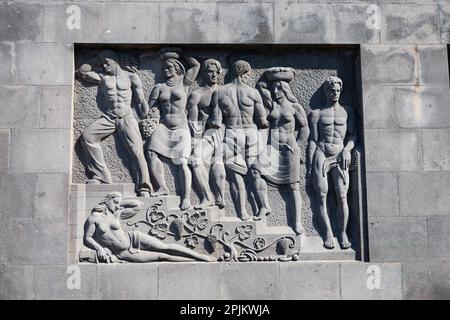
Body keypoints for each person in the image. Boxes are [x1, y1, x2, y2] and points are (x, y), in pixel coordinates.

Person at [78, 50, 152, 197]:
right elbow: (82, 71)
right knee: (87, 137)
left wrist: (146, 116)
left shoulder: (132, 76)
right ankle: (100, 176)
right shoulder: (103, 78)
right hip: (110, 116)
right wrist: (96, 60)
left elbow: (140, 100)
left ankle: (144, 186)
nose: (105, 66)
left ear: (115, 60)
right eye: (103, 64)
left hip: (126, 117)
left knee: (136, 150)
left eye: (107, 62)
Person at [210, 60, 270, 221]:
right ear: (243, 73)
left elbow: (216, 121)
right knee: (256, 173)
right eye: (249, 75)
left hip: (233, 134)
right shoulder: (253, 93)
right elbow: (263, 121)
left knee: (235, 174)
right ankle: (264, 206)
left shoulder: (220, 92)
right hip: (251, 133)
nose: (249, 78)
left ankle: (242, 212)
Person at [253, 67, 309, 233]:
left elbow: (304, 127)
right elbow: (261, 87)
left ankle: (297, 222)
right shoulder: (271, 105)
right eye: (274, 88)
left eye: (279, 88)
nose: (275, 91)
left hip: (289, 149)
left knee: (293, 187)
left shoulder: (294, 107)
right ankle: (265, 206)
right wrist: (267, 78)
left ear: (285, 89)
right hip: (272, 148)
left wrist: (297, 145)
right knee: (255, 170)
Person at [83, 192, 214, 263]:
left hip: (133, 238)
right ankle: (193, 260)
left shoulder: (117, 214)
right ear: (107, 200)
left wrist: (119, 201)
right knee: (161, 257)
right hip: (122, 253)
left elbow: (138, 205)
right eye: (115, 202)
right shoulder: (94, 218)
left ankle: (200, 257)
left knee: (164, 247)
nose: (117, 205)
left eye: (118, 203)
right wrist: (99, 248)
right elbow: (87, 238)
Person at [145, 49, 200, 210]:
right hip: (163, 125)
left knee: (182, 162)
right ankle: (162, 187)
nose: (165, 70)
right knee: (150, 152)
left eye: (169, 67)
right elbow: (151, 109)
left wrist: (182, 51)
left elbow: (196, 65)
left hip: (180, 126)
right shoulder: (159, 88)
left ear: (177, 68)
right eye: (164, 68)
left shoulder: (184, 82)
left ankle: (186, 198)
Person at [308, 76, 357, 249]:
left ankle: (342, 233)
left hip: (339, 154)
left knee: (342, 195)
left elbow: (352, 135)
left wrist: (347, 150)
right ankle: (328, 232)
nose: (334, 93)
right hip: (321, 153)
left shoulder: (347, 111)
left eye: (337, 90)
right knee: (322, 196)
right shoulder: (316, 113)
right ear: (325, 91)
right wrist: (310, 165)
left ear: (340, 90)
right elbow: (313, 140)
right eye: (331, 90)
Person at [187, 59, 226, 209]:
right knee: (196, 159)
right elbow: (193, 121)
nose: (214, 74)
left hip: (225, 132)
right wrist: (195, 138)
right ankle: (207, 196)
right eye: (210, 71)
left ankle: (220, 198)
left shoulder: (225, 91)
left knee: (218, 161)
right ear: (203, 73)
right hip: (206, 133)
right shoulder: (196, 95)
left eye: (216, 71)